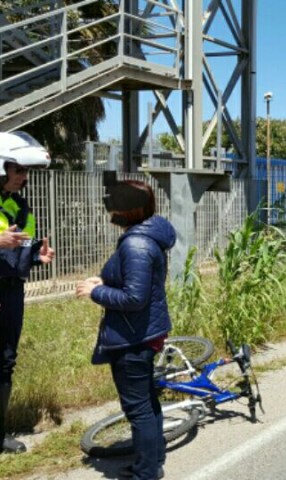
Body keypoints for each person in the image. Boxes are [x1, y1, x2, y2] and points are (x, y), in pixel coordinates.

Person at [76, 177, 176, 480]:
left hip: (133, 336)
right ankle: (152, 459)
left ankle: (146, 472)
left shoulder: (135, 243)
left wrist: (95, 293)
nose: (109, 208)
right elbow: (135, 283)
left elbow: (134, 297)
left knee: (138, 408)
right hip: (143, 330)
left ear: (128, 210)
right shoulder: (144, 237)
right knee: (146, 400)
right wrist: (104, 281)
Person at [0, 131, 55, 454]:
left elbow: (22, 245)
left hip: (11, 292)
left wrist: (37, 256)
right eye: (18, 169)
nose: (24, 177)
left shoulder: (20, 205)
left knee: (6, 361)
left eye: (25, 171)